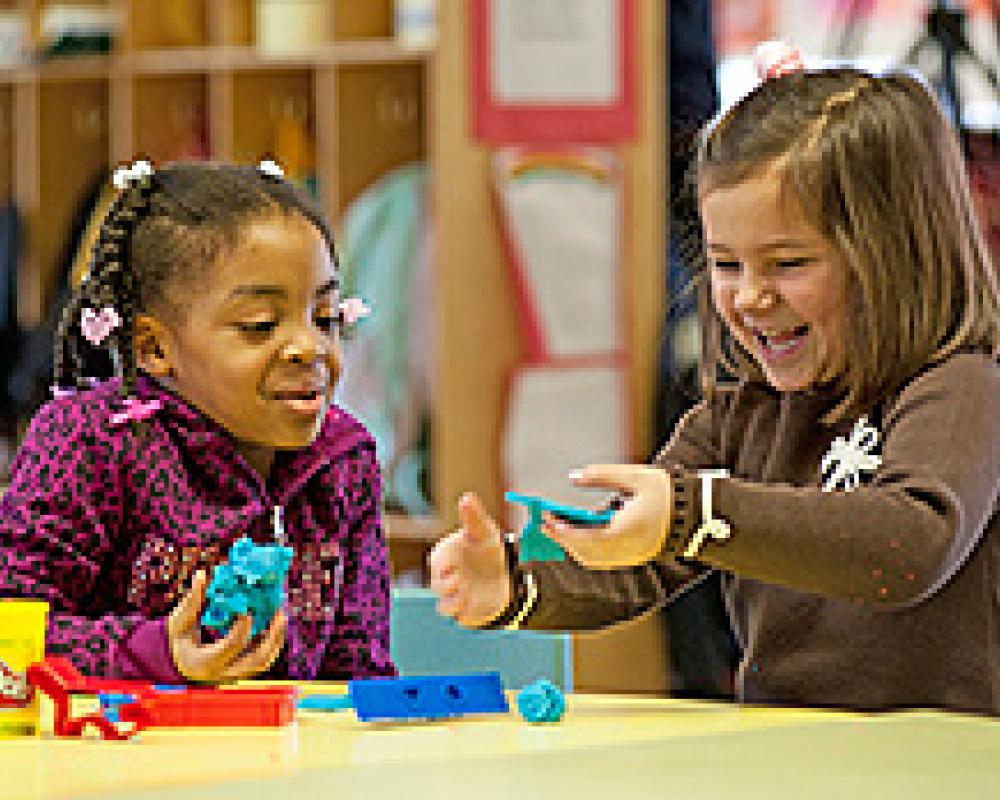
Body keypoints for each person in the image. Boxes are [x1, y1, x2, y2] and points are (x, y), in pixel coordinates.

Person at [429, 45, 1000, 714]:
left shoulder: (962, 388)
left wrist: (698, 513)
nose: (750, 298)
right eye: (727, 265)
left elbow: (908, 545)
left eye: (787, 263)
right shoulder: (735, 418)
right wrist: (517, 586)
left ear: (894, 257)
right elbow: (636, 557)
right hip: (785, 757)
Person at [0, 160, 395, 684]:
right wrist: (155, 654)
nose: (310, 348)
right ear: (154, 348)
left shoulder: (344, 460)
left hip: (287, 760)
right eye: (259, 326)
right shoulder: (92, 442)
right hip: (118, 757)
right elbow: (13, 630)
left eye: (324, 318)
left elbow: (359, 671)